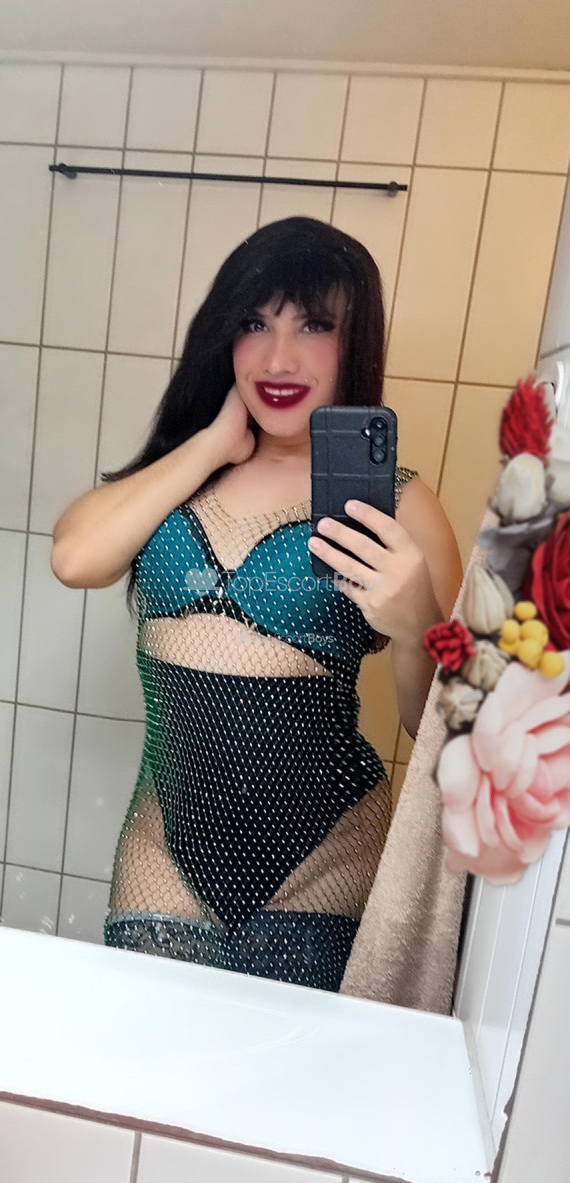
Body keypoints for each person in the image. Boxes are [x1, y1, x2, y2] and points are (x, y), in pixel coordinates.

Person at [51, 216, 462, 992]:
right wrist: (213, 444)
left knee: (287, 1068)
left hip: (325, 858)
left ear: (356, 341)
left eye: (314, 325)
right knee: (147, 1052)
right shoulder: (184, 472)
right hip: (163, 849)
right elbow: (75, 559)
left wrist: (416, 627)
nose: (279, 358)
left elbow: (433, 726)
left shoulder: (404, 504)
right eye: (254, 323)